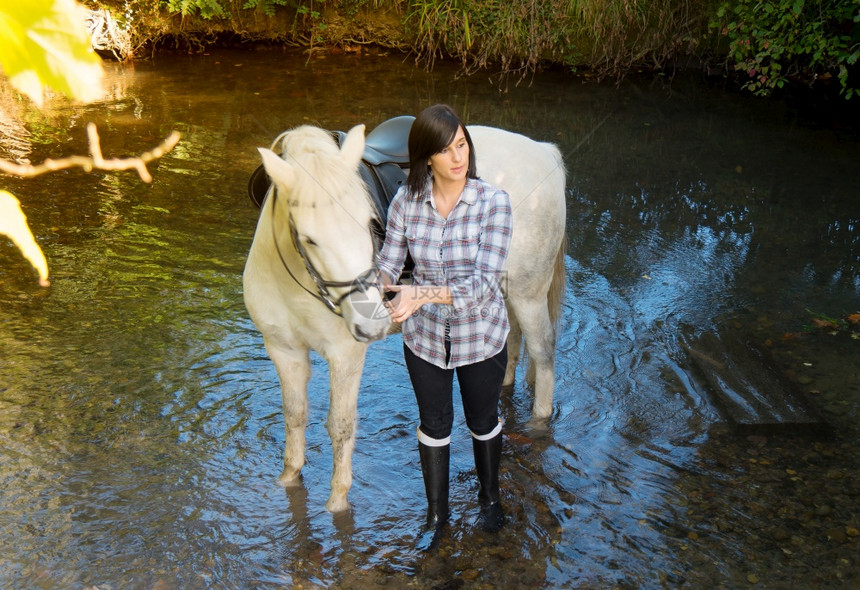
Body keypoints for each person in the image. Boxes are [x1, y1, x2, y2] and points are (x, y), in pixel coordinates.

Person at [377, 104, 513, 549]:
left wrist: (418, 294)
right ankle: (437, 517)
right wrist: (371, 287)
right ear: (426, 158)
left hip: (483, 338)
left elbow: (483, 285)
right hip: (425, 341)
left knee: (482, 419)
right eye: (445, 149)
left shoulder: (494, 203)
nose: (459, 157)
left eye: (461, 144)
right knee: (434, 425)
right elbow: (390, 264)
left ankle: (490, 501)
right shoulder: (405, 202)